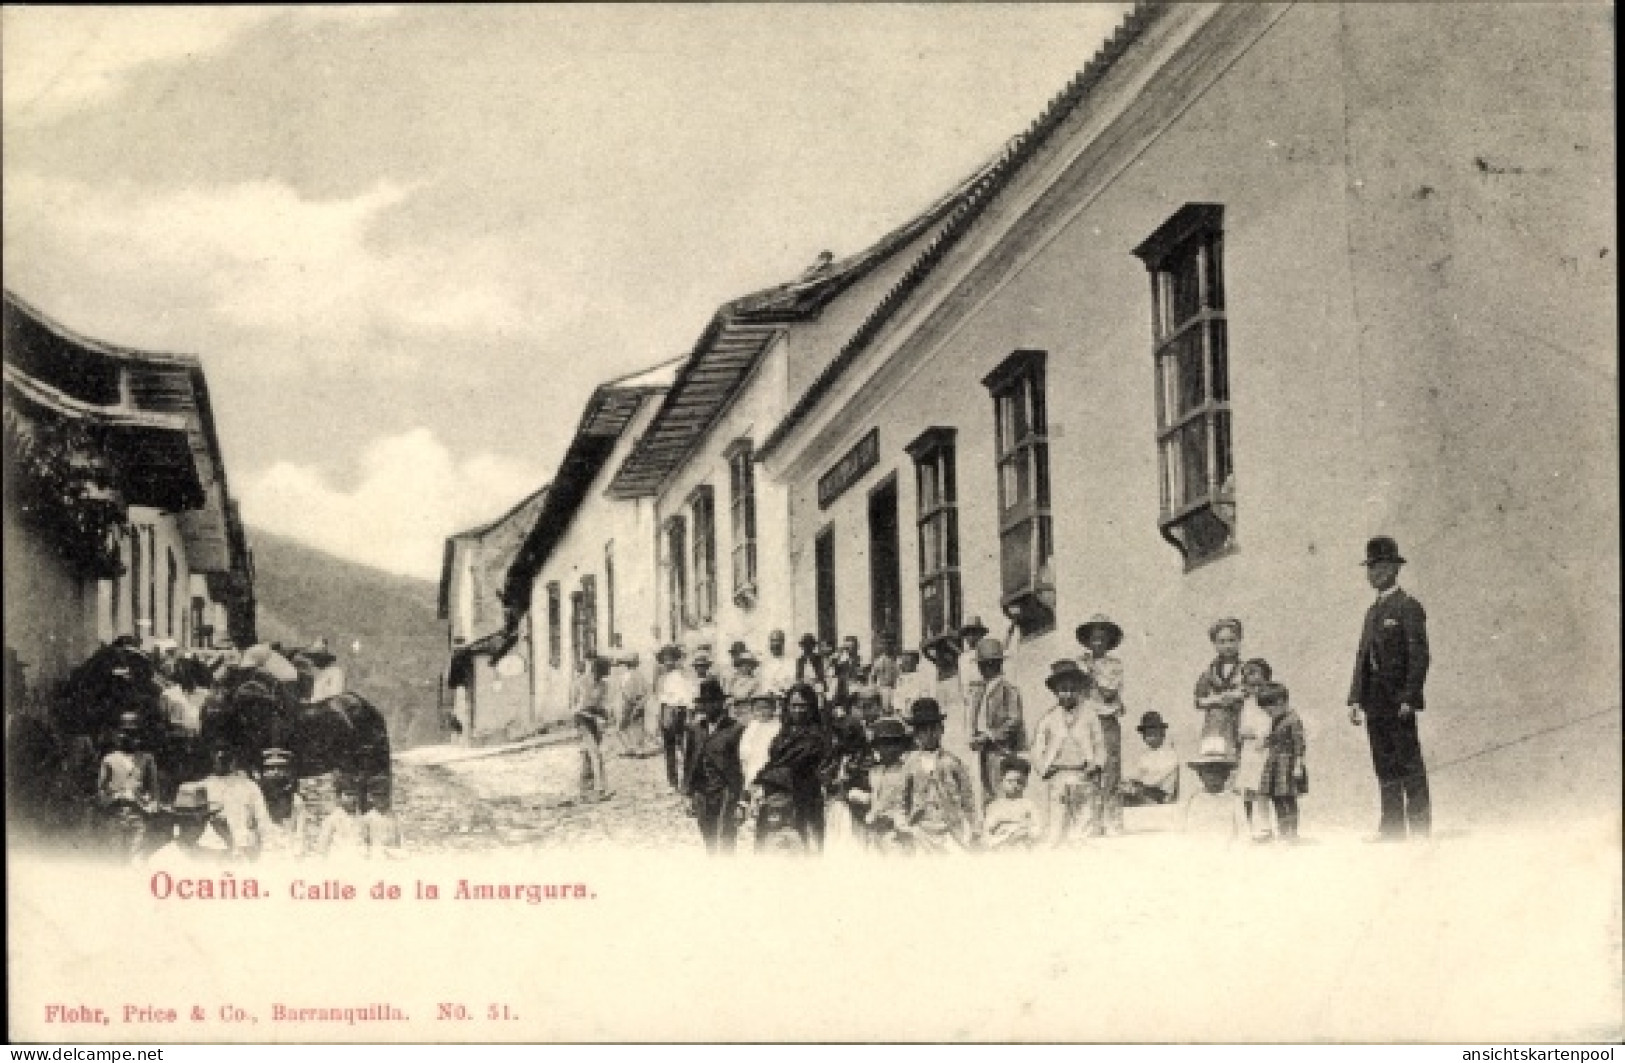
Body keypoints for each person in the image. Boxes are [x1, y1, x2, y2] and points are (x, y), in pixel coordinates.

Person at [1348, 536, 1431, 841]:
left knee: (1409, 763)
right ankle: (1392, 829)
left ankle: (1420, 829)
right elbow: (1362, 656)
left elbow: (1419, 657)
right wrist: (1355, 699)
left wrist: (1409, 697)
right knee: (1384, 765)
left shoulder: (1408, 607)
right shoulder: (1372, 613)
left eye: (1382, 567)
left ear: (1396, 569)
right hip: (1374, 702)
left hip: (1398, 701)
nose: (1376, 573)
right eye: (1371, 568)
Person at [1030, 660, 1106, 845]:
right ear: (1055, 692)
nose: (1068, 694)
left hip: (1083, 775)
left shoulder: (1090, 715)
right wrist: (1043, 768)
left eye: (1073, 689)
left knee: (1083, 824)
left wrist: (1096, 764)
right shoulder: (1049, 718)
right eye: (1063, 690)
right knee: (1057, 825)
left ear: (1079, 689)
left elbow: (1099, 744)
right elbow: (1037, 747)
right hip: (1058, 776)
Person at [752, 683, 830, 853]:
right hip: (778, 797)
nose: (798, 710)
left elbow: (794, 763)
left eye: (803, 706)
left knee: (804, 846)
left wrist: (765, 776)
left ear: (811, 708)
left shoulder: (816, 735)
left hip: (804, 797)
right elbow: (774, 762)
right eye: (794, 705)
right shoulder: (783, 734)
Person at [900, 698, 979, 853]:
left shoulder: (953, 762)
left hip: (950, 830)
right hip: (921, 830)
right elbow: (902, 800)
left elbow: (967, 799)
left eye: (933, 729)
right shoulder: (911, 764)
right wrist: (904, 826)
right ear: (916, 733)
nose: (929, 734)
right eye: (923, 730)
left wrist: (973, 827)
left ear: (941, 730)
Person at [1077, 613, 1127, 834]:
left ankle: (1112, 821)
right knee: (1088, 770)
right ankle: (1091, 822)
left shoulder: (1114, 665)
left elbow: (1109, 692)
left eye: (1102, 638)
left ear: (1108, 641)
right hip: (1086, 722)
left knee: (1111, 771)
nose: (1097, 642)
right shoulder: (1080, 663)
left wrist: (1092, 671)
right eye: (1093, 638)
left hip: (1107, 720)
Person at [683, 678, 745, 855]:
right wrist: (687, 794)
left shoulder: (735, 729)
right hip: (702, 791)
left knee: (726, 837)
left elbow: (742, 764)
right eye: (704, 703)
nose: (708, 707)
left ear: (721, 703)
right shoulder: (696, 729)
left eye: (713, 702)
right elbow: (689, 762)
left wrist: (741, 799)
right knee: (708, 837)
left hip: (726, 790)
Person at [968, 638, 1026, 805]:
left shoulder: (1008, 690)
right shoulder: (981, 691)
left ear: (994, 665)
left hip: (1003, 752)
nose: (981, 669)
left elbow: (1014, 720)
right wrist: (975, 736)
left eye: (984, 664)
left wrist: (990, 736)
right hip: (985, 752)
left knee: (1003, 794)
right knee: (987, 795)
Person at [846, 716, 913, 854]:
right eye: (883, 744)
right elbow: (874, 797)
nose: (889, 749)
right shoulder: (874, 771)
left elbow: (912, 804)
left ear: (901, 747)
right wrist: (855, 795)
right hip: (874, 832)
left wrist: (894, 821)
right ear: (877, 747)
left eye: (894, 743)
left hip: (897, 834)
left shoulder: (907, 771)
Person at [200, 744, 273, 861]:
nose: (221, 756)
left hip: (244, 852)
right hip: (213, 851)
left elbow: (264, 822)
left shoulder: (250, 786)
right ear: (211, 755)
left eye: (226, 751)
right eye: (217, 751)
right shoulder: (202, 787)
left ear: (234, 756)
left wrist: (267, 852)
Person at [1255, 682, 1307, 842]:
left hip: (1288, 764)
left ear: (1280, 702)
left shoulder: (1293, 720)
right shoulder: (1277, 719)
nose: (1268, 714)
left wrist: (1298, 765)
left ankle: (1293, 833)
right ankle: (1283, 832)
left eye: (1269, 710)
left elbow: (1299, 744)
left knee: (1288, 798)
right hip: (1274, 763)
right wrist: (1264, 743)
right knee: (1275, 797)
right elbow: (1274, 737)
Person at [1194, 618, 1248, 760]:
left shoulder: (1246, 670)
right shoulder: (1209, 673)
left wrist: (1237, 696)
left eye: (1231, 640)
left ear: (1239, 641)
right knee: (1214, 760)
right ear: (1215, 644)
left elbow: (1251, 692)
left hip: (1238, 722)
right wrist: (1217, 699)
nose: (1227, 646)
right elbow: (1198, 700)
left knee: (1236, 761)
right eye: (1222, 642)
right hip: (1214, 725)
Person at [1234, 658, 1275, 840]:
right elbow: (1242, 721)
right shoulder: (1246, 700)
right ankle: (1248, 826)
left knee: (1262, 790)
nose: (1249, 677)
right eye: (1246, 674)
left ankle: (1265, 827)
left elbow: (1269, 722)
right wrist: (1241, 734)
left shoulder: (1269, 699)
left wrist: (1260, 736)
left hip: (1261, 748)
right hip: (1248, 750)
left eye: (1254, 672)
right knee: (1247, 790)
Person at [147, 782, 219, 867]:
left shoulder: (204, 852)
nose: (203, 825)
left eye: (205, 819)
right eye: (201, 820)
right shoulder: (162, 859)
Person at [1120, 712, 1180, 807]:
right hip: (1146, 792)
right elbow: (1136, 774)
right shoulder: (1145, 755)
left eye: (1153, 734)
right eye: (1147, 734)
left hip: (1162, 796)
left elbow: (1155, 779)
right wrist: (1129, 782)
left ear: (1162, 733)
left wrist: (1137, 785)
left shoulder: (1170, 754)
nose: (1150, 738)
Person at [573, 656, 612, 801]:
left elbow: (602, 704)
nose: (603, 676)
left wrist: (605, 715)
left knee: (588, 754)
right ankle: (600, 788)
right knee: (595, 753)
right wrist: (590, 715)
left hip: (596, 720)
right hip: (582, 720)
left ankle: (584, 789)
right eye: (602, 672)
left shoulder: (604, 685)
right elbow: (575, 708)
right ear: (595, 670)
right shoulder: (581, 683)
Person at [983, 756, 1041, 851]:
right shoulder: (995, 806)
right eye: (1010, 781)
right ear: (1001, 781)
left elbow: (1037, 828)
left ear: (1025, 784)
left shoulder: (1028, 805)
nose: (1014, 786)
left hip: (1022, 845)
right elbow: (987, 830)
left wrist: (1025, 833)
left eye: (1019, 782)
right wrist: (999, 838)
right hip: (1000, 846)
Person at [655, 645, 692, 791]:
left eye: (670, 659)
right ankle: (672, 782)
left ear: (675, 660)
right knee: (669, 748)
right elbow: (660, 700)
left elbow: (687, 698)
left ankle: (687, 780)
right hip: (666, 711)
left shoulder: (681, 677)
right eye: (665, 660)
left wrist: (686, 715)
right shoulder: (661, 678)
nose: (668, 662)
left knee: (683, 747)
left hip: (679, 711)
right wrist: (661, 717)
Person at [738, 692, 782, 811]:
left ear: (773, 709)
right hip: (752, 767)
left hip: (769, 769)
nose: (762, 712)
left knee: (766, 802)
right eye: (758, 709)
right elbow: (744, 748)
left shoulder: (777, 727)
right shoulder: (752, 726)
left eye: (765, 708)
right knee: (751, 799)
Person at [956, 615, 991, 733]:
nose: (971, 637)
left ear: (980, 635)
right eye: (968, 634)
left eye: (974, 633)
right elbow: (962, 680)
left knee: (983, 723)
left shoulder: (985, 652)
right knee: (970, 726)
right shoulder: (962, 657)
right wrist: (965, 695)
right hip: (969, 694)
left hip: (982, 690)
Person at [316, 785, 367, 861]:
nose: (352, 798)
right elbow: (322, 845)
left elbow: (364, 841)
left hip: (358, 860)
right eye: (348, 795)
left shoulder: (361, 818)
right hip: (338, 861)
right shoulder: (333, 818)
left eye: (354, 794)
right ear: (339, 798)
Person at [615, 653, 651, 756]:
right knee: (638, 727)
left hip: (628, 703)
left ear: (627, 664)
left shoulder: (626, 676)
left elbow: (624, 691)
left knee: (621, 728)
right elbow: (648, 691)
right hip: (639, 702)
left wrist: (630, 702)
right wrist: (641, 703)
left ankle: (629, 748)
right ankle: (639, 749)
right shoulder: (641, 675)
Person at [892, 650, 929, 720]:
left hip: (915, 714)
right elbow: (897, 696)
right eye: (904, 661)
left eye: (907, 661)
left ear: (915, 662)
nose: (904, 664)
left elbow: (923, 696)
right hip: (901, 715)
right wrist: (898, 710)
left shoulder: (921, 678)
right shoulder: (900, 679)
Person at [869, 636, 900, 716]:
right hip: (884, 689)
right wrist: (874, 689)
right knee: (886, 711)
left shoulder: (898, 660)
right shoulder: (879, 661)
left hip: (897, 688)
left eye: (891, 644)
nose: (888, 647)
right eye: (886, 644)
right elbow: (872, 676)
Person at [760, 630, 797, 696]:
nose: (775, 644)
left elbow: (792, 682)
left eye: (778, 641)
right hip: (769, 698)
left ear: (783, 643)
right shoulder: (765, 664)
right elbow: (764, 686)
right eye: (773, 641)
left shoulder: (791, 663)